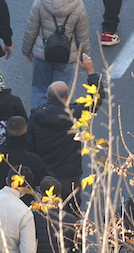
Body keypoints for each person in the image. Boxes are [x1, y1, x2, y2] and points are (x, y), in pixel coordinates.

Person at [28, 57, 103, 207]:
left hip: (45, 174)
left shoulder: (35, 117)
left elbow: (29, 147)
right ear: (67, 97)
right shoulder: (75, 113)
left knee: (46, 213)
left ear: (47, 96)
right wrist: (90, 71)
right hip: (70, 173)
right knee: (72, 210)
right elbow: (97, 98)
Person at [21, 0, 89, 108]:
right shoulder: (78, 4)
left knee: (40, 90)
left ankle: (38, 122)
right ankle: (62, 124)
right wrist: (85, 57)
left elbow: (31, 27)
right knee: (64, 93)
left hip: (43, 54)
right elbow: (82, 35)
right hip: (67, 56)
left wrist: (27, 50)